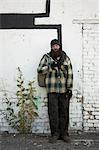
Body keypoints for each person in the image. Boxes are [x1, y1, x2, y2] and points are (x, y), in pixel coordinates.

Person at [37, 39, 73, 143]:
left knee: (64, 112)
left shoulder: (65, 58)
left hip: (63, 90)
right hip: (51, 89)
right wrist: (49, 67)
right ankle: (55, 134)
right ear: (51, 47)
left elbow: (70, 73)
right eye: (54, 46)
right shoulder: (46, 57)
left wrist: (69, 89)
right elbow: (39, 69)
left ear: (60, 46)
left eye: (57, 45)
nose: (55, 47)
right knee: (53, 113)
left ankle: (64, 134)